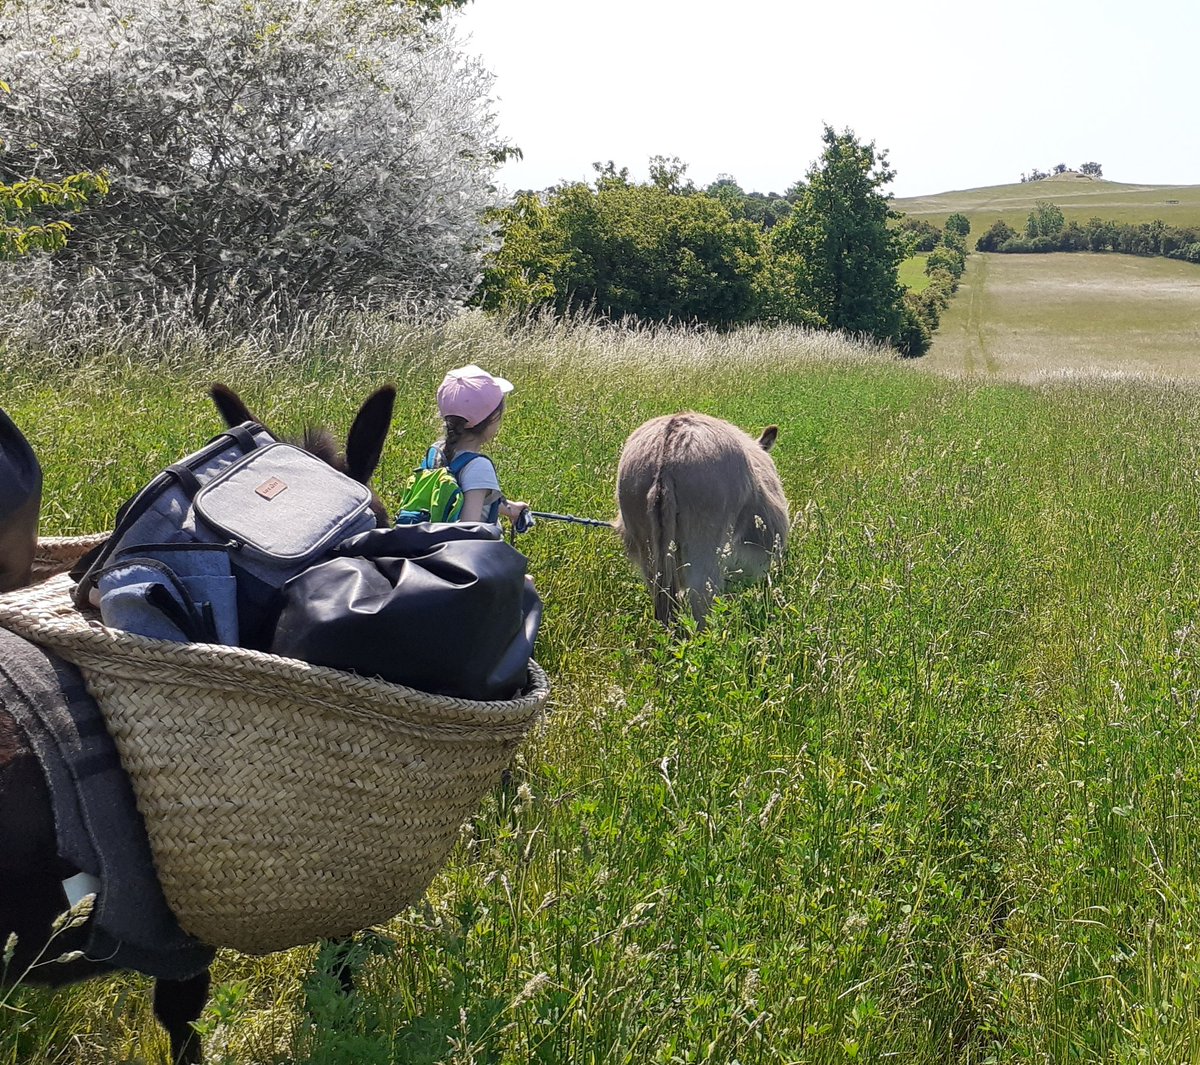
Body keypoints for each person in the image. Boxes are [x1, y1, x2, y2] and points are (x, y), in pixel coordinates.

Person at [430, 364, 531, 528]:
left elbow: (469, 495)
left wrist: (511, 509)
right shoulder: (478, 466)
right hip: (463, 553)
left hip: (429, 547)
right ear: (493, 418)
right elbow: (469, 530)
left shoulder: (437, 452)